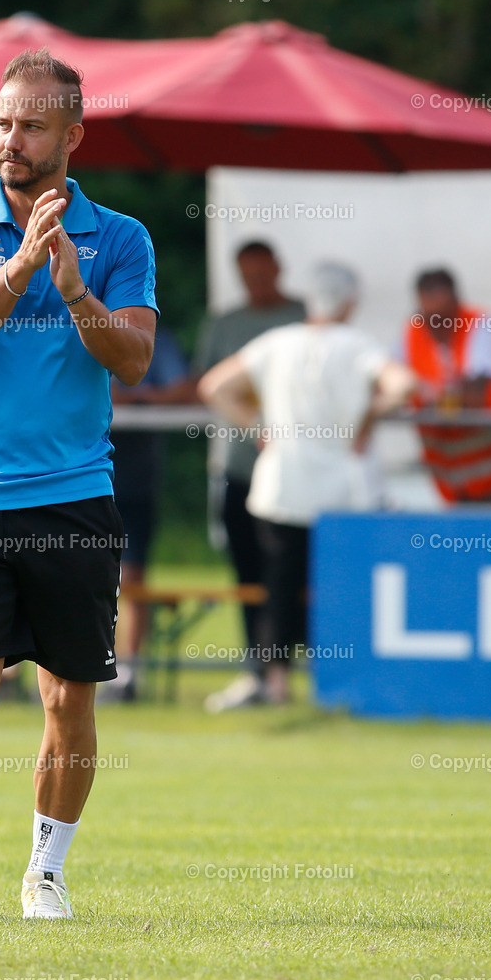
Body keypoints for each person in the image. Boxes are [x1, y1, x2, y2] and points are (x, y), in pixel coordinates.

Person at [0, 47, 157, 921]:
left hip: (73, 495)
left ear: (73, 137)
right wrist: (20, 267)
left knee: (68, 697)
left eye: (32, 126)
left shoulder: (121, 238)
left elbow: (134, 360)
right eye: (3, 122)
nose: (10, 140)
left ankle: (44, 873)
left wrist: (78, 293)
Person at [198, 264, 415, 703]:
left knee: (279, 586)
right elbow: (405, 385)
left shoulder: (277, 342)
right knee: (344, 587)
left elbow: (214, 386)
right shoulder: (359, 345)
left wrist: (258, 427)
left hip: (284, 486)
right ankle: (343, 679)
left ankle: (276, 681)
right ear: (350, 302)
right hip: (346, 492)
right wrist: (368, 417)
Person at [193, 241, 306, 713]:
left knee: (293, 572)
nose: (257, 283)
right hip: (239, 469)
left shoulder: (302, 319)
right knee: (249, 573)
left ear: (279, 269)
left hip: (295, 474)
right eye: (248, 275)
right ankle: (259, 668)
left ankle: (290, 667)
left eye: (263, 273)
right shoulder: (225, 324)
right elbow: (204, 383)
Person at [107, 326, 191, 699]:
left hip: (135, 481)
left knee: (133, 577)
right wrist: (138, 398)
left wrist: (135, 399)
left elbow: (183, 389)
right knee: (72, 573)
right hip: (77, 480)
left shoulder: (157, 339)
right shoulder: (65, 325)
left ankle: (127, 672)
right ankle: (79, 663)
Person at [401, 267, 491, 503]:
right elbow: (392, 385)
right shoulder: (412, 332)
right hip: (450, 483)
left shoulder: (481, 324)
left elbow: (474, 398)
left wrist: (426, 394)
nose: (438, 324)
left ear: (456, 302)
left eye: (444, 316)